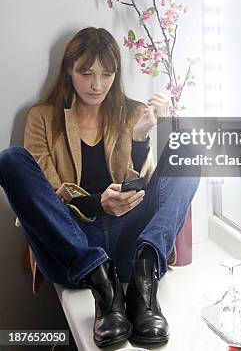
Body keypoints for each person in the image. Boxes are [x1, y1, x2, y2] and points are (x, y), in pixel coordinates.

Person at [0, 27, 199, 348]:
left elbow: (144, 187)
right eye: (86, 73)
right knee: (10, 160)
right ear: (68, 70)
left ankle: (144, 279)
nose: (97, 85)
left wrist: (141, 138)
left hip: (131, 242)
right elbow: (49, 194)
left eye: (107, 74)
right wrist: (96, 204)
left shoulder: (133, 112)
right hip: (75, 246)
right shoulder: (42, 117)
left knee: (188, 148)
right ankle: (102, 283)